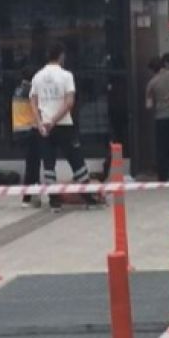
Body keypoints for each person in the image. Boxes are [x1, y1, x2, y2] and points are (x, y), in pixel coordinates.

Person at [30, 42, 99, 211]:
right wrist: (55, 120)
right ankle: (88, 197)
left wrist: (40, 122)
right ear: (61, 56)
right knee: (76, 160)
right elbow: (69, 102)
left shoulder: (37, 76)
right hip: (63, 124)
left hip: (44, 126)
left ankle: (54, 201)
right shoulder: (66, 76)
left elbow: (32, 101)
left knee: (48, 163)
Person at [11, 68, 42, 206]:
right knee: (33, 164)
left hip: (19, 131)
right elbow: (38, 109)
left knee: (31, 163)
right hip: (29, 131)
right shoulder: (30, 91)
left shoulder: (18, 89)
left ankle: (32, 195)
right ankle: (28, 197)